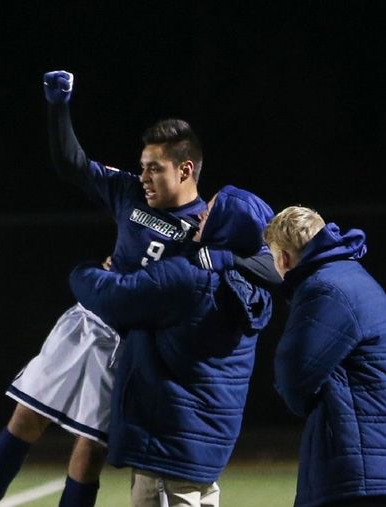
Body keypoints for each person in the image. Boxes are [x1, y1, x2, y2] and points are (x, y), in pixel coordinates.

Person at [0, 70, 208, 507]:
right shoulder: (129, 191)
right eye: (143, 167)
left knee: (90, 451)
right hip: (88, 323)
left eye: (155, 169)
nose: (144, 176)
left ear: (186, 169)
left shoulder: (206, 226)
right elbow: (72, 164)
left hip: (131, 343)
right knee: (25, 419)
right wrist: (58, 107)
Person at [68, 185, 276, 507]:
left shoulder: (188, 277)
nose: (201, 214)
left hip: (168, 444)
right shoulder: (253, 285)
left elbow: (113, 298)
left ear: (228, 224)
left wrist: (83, 272)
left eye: (212, 210)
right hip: (208, 445)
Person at [263, 206, 386, 507]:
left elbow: (292, 377)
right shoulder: (351, 274)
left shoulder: (323, 287)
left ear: (283, 258)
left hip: (361, 465)